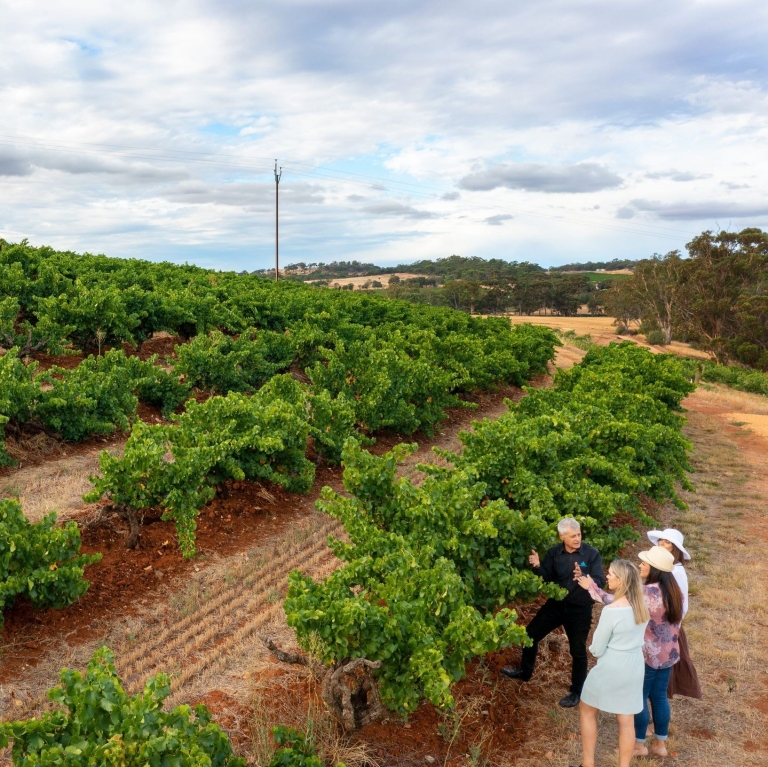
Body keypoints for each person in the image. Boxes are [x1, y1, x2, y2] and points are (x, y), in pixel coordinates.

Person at [580, 546, 683, 759]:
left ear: (654, 569)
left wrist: (591, 587)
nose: (641, 566)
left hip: (648, 655)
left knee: (639, 699)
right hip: (669, 653)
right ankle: (660, 744)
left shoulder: (646, 594)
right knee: (660, 697)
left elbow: (615, 603)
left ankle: (639, 745)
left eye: (645, 563)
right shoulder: (675, 591)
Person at [501, 518, 605, 708]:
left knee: (578, 651)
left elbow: (600, 580)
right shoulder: (554, 553)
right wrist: (538, 566)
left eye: (579, 534)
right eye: (573, 536)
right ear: (562, 536)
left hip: (580, 610)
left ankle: (577, 691)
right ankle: (525, 672)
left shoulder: (591, 554)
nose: (577, 538)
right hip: (556, 605)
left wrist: (585, 578)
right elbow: (546, 577)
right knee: (530, 634)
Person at [571, 560, 649, 767]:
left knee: (587, 708)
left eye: (611, 574)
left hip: (613, 663)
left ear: (621, 580)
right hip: (634, 665)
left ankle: (588, 763)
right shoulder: (642, 606)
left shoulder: (612, 611)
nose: (607, 576)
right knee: (626, 720)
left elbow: (597, 647)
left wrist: (597, 653)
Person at [648, 528, 702, 699]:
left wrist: (674, 627)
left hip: (668, 626)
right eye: (660, 541)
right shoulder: (663, 567)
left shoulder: (676, 572)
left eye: (667, 542)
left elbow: (681, 603)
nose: (661, 544)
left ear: (675, 549)